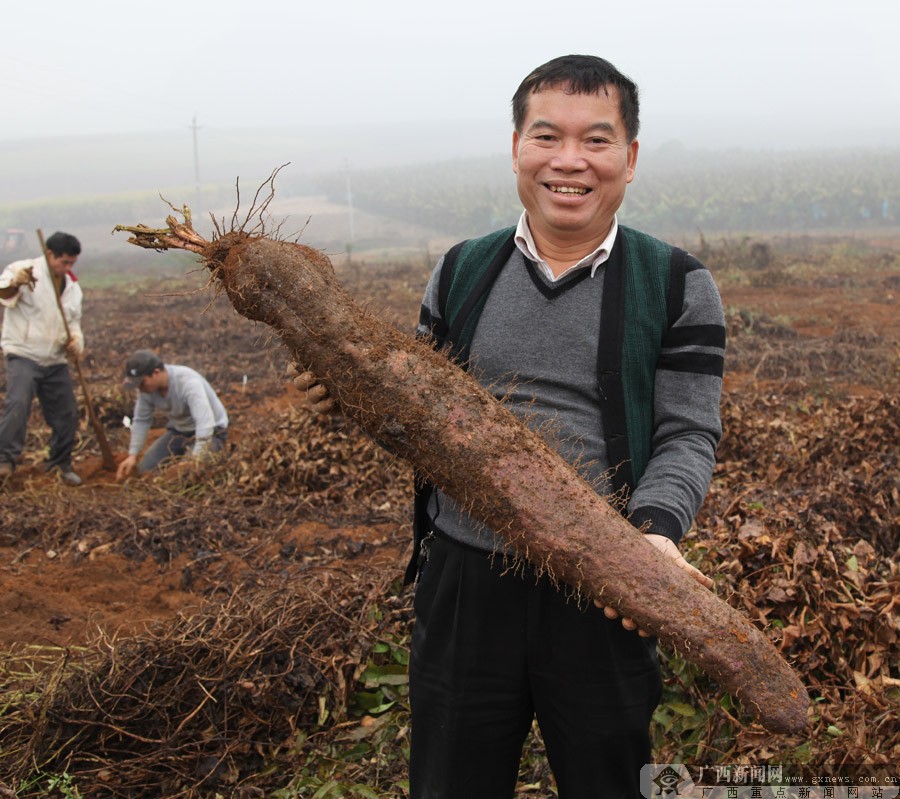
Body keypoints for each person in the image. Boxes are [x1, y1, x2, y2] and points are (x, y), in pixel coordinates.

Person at [296, 54, 726, 799]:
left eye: (595, 140)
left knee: (609, 780)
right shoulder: (461, 270)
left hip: (606, 585)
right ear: (516, 149)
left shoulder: (677, 283)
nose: (569, 161)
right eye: (546, 137)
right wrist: (356, 397)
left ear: (629, 157)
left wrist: (653, 534)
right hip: (465, 581)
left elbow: (689, 432)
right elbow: (423, 423)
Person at [0, 231, 84, 486]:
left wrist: (76, 343)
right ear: (49, 255)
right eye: (64, 262)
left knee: (67, 412)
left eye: (72, 263)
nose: (67, 267)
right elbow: (3, 294)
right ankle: (5, 461)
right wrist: (17, 282)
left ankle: (60, 463)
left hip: (55, 359)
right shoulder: (24, 270)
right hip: (24, 353)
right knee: (18, 403)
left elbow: (74, 323)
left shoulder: (72, 286)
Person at [116, 350, 228, 480]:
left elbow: (205, 423)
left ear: (155, 373)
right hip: (179, 431)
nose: (140, 388)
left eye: (142, 383)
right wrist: (132, 455)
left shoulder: (188, 383)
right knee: (144, 470)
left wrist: (195, 458)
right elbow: (142, 421)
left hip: (212, 432)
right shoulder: (146, 391)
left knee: (187, 475)